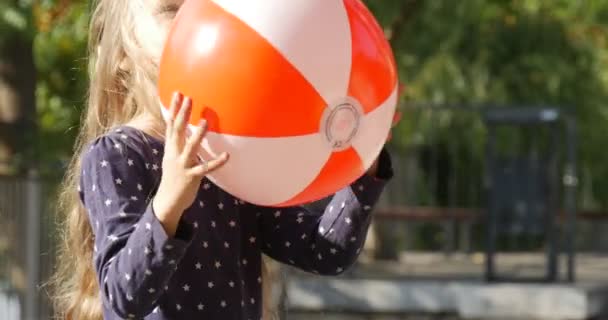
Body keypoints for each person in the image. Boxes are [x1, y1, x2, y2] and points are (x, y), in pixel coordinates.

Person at [52, 0, 396, 319]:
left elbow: (325, 250)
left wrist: (364, 172)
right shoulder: (116, 155)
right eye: (173, 8)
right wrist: (168, 206)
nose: (197, 16)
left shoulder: (232, 151)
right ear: (123, 53)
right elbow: (123, 297)